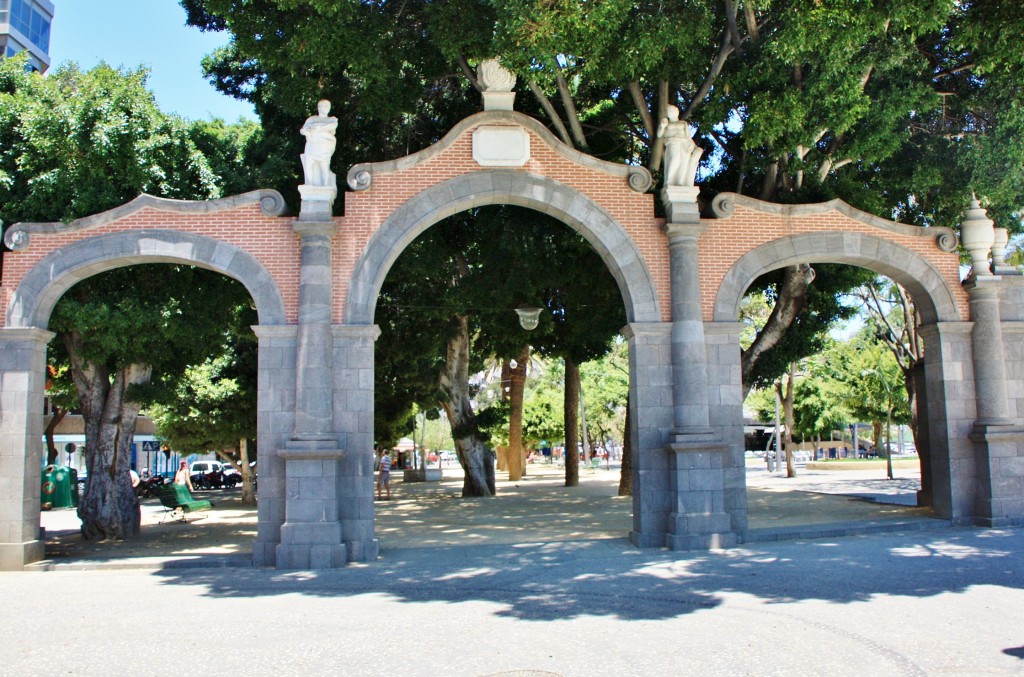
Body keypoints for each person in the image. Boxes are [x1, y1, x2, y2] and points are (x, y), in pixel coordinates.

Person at [657, 105, 703, 188]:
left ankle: (680, 181)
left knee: (683, 162)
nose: (671, 113)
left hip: (684, 143)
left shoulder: (683, 123)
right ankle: (669, 181)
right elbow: (659, 134)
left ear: (677, 112)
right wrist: (662, 126)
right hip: (673, 142)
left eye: (673, 111)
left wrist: (692, 144)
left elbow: (688, 136)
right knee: (674, 159)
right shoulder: (667, 123)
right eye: (669, 111)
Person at [299, 99, 338, 187]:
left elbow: (333, 126)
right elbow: (302, 130)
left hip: (324, 145)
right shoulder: (312, 119)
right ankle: (309, 183)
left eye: (327, 106)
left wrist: (319, 128)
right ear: (318, 107)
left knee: (324, 165)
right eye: (323, 106)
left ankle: (325, 185)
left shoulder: (332, 119)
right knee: (309, 163)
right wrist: (305, 131)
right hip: (312, 143)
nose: (325, 108)